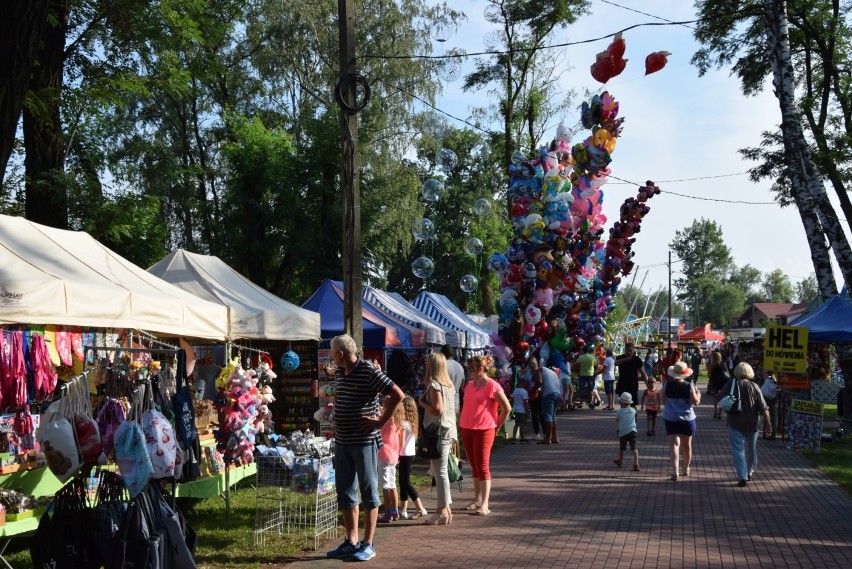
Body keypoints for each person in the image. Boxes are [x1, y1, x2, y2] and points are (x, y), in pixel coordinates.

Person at [326, 334, 405, 562]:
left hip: (364, 441)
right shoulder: (341, 371)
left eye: (333, 352)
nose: (332, 356)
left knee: (369, 490)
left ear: (341, 354)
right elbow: (341, 393)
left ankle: (368, 543)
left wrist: (380, 421)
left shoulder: (369, 371)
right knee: (346, 492)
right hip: (343, 441)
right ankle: (351, 541)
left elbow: (397, 394)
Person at [459, 354, 512, 516]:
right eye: (469, 370)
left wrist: (496, 426)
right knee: (474, 466)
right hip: (467, 428)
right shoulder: (469, 385)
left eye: (472, 370)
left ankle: (485, 503)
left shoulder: (493, 386)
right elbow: (465, 406)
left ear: (481, 369)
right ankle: (477, 500)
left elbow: (507, 408)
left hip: (485, 430)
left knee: (482, 466)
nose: (470, 372)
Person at [418, 352, 458, 525]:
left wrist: (422, 403)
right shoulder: (449, 385)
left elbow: (438, 409)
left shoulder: (434, 386)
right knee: (441, 471)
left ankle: (441, 510)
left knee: (439, 472)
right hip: (448, 430)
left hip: (438, 431)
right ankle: (446, 509)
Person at [719, 362, 771, 487]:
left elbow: (719, 397)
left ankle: (742, 475)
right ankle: (749, 471)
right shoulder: (755, 386)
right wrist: (768, 424)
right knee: (751, 449)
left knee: (738, 449)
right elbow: (764, 408)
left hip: (734, 421)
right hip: (752, 423)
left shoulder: (731, 384)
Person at [661, 361, 701, 481]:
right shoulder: (689, 386)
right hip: (687, 418)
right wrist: (698, 394)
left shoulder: (667, 385)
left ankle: (675, 471)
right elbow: (696, 402)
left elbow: (663, 400)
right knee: (687, 445)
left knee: (673, 444)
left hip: (671, 418)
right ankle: (685, 468)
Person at [397, 396, 427, 520]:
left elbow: (401, 441)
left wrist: (396, 452)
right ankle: (403, 509)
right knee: (402, 482)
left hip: (404, 454)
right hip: (410, 453)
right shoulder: (413, 423)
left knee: (406, 482)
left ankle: (420, 508)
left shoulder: (404, 424)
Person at [377, 402, 403, 523]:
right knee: (392, 484)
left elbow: (378, 431)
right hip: (394, 454)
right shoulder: (398, 421)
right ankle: (395, 511)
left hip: (384, 453)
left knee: (385, 485)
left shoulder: (387, 420)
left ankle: (387, 513)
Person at [531, 357, 562, 444]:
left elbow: (539, 382)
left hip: (549, 394)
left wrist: (533, 390)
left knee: (547, 416)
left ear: (537, 364)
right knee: (553, 416)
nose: (532, 366)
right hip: (557, 393)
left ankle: (547, 438)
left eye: (533, 363)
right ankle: (555, 438)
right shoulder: (551, 371)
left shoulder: (538, 371)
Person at [615, 342, 648, 408]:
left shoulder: (637, 359)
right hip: (622, 385)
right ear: (625, 349)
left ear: (633, 350)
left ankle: (633, 418)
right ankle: (623, 418)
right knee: (623, 405)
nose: (629, 352)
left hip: (633, 385)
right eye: (627, 350)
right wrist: (625, 359)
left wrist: (648, 385)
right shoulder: (620, 357)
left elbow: (643, 373)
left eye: (630, 350)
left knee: (633, 405)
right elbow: (615, 363)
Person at [613, 392, 640, 471]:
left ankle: (620, 461)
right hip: (633, 431)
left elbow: (617, 420)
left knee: (622, 449)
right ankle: (636, 463)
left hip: (623, 432)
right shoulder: (633, 410)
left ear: (622, 402)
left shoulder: (619, 411)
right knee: (634, 448)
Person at [441, 345, 466, 415]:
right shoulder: (460, 366)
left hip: (444, 400)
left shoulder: (442, 365)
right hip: (455, 400)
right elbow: (462, 384)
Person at [707, 351, 730, 420]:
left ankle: (715, 412)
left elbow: (710, 376)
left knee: (715, 398)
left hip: (715, 383)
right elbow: (727, 373)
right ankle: (720, 413)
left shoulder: (711, 366)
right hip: (723, 383)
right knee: (722, 398)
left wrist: (710, 384)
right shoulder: (723, 364)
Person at [511, 379, 531, 443]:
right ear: (522, 384)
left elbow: (512, 400)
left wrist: (513, 406)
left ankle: (514, 438)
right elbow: (525, 401)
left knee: (516, 424)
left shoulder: (515, 390)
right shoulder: (524, 391)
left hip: (516, 409)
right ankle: (522, 438)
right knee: (522, 424)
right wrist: (527, 409)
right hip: (522, 410)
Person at [760, 371, 779, 440]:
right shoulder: (772, 380)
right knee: (772, 418)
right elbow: (775, 388)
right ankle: (771, 435)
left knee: (767, 417)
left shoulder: (767, 380)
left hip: (765, 399)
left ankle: (766, 434)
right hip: (772, 400)